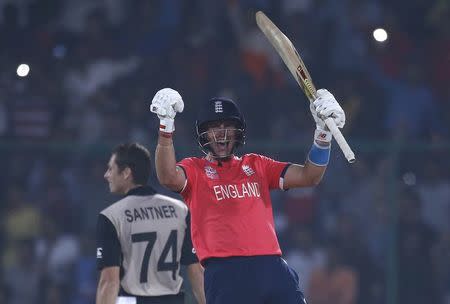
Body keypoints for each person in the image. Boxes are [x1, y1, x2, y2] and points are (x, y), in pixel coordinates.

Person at [150, 88, 345, 304]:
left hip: (272, 268)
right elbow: (168, 177)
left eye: (228, 127)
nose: (222, 133)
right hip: (226, 273)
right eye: (214, 127)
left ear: (238, 131)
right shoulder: (194, 168)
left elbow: (310, 176)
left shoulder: (257, 164)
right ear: (203, 134)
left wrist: (323, 134)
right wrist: (165, 128)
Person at [95, 143, 206, 304]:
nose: (106, 175)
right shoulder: (180, 210)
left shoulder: (112, 216)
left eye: (111, 169)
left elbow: (109, 281)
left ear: (126, 173)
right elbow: (197, 273)